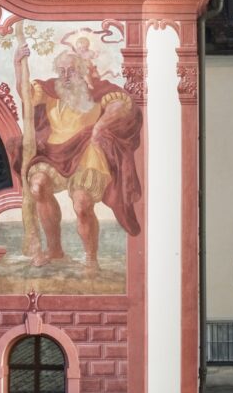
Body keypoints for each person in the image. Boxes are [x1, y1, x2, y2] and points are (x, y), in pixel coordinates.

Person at [12, 44, 143, 274]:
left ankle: (91, 259)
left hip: (86, 153)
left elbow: (122, 105)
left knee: (82, 204)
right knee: (38, 186)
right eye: (61, 70)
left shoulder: (97, 91)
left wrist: (100, 125)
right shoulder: (50, 90)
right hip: (53, 152)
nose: (65, 75)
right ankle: (55, 250)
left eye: (71, 70)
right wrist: (17, 64)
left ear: (81, 70)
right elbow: (26, 94)